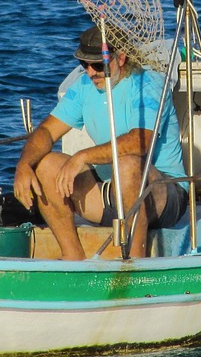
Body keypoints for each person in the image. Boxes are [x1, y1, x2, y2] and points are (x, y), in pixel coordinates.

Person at [14, 26, 188, 260]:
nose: (90, 72)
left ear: (121, 58)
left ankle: (135, 262)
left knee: (127, 165)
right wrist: (24, 165)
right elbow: (46, 130)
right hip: (110, 192)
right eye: (84, 64)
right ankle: (72, 257)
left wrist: (82, 157)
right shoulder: (84, 86)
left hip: (163, 193)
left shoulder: (149, 83)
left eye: (97, 65)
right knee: (45, 165)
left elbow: (140, 142)